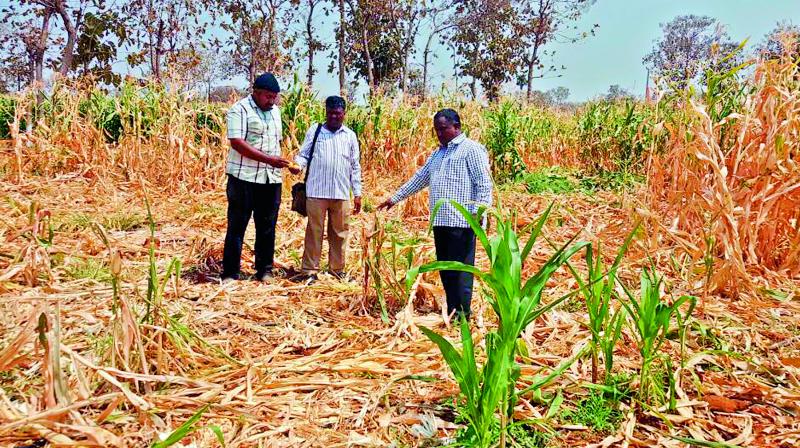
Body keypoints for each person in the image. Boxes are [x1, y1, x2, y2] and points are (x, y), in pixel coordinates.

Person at [377, 109, 492, 318]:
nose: (439, 133)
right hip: (441, 220)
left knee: (462, 271)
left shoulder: (471, 150)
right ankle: (453, 309)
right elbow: (420, 178)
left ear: (457, 126)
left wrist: (479, 214)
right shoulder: (438, 154)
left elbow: (483, 184)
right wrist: (394, 198)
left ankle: (463, 314)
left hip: (463, 222)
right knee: (446, 269)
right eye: (436, 130)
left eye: (443, 129)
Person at [221, 73, 300, 283]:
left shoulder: (275, 113)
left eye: (274, 96)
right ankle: (230, 273)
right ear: (255, 92)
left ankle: (264, 270)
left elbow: (275, 143)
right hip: (243, 177)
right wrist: (269, 160)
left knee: (267, 227)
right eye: (267, 96)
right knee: (237, 226)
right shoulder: (240, 110)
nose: (271, 100)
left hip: (270, 179)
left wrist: (284, 164)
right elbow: (237, 142)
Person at [293, 96, 362, 283]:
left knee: (340, 233)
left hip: (340, 193)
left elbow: (355, 166)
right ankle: (309, 270)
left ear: (344, 114)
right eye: (330, 113)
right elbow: (303, 155)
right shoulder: (315, 131)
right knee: (314, 232)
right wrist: (297, 166)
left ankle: (337, 269)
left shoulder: (350, 136)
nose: (333, 117)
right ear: (326, 112)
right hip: (316, 191)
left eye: (337, 114)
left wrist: (357, 193)